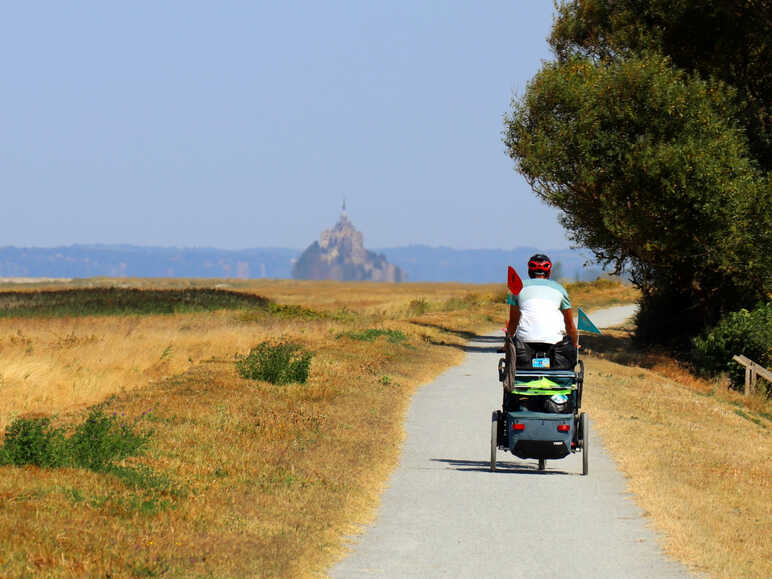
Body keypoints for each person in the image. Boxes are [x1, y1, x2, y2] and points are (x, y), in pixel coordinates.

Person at [506, 254, 578, 369]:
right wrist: (574, 344)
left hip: (525, 342)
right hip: (554, 342)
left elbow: (513, 322)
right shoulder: (560, 289)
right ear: (549, 272)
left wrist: (506, 345)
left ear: (529, 271)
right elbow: (569, 324)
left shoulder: (518, 288)